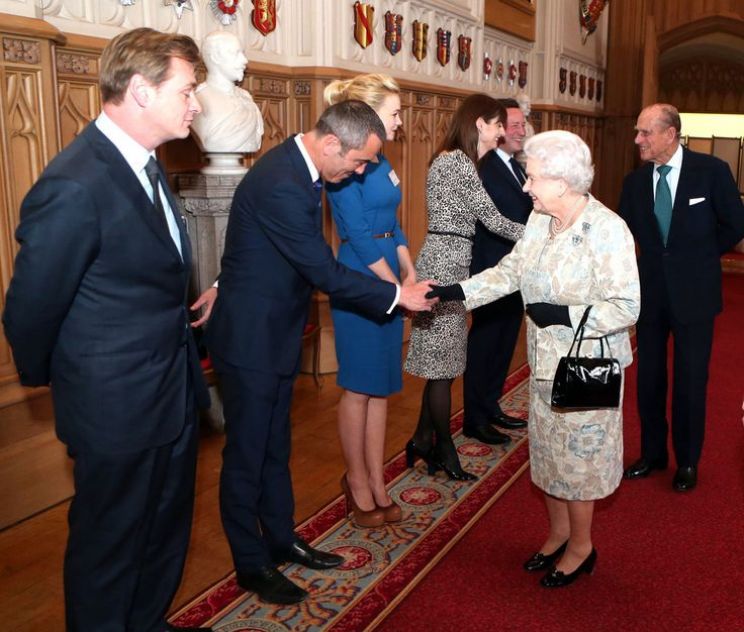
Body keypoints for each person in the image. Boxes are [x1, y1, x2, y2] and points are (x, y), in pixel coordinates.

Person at [2, 28, 212, 632]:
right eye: (186, 91)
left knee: (163, 531)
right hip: (114, 408)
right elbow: (30, 309)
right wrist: (72, 383)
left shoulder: (146, 164)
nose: (195, 104)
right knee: (110, 548)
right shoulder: (76, 182)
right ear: (142, 90)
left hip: (170, 394)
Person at [205, 100, 437, 605]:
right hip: (250, 338)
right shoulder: (283, 181)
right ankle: (251, 563)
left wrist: (222, 281)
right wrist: (398, 296)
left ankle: (281, 538)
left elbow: (258, 246)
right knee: (247, 454)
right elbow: (322, 270)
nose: (361, 172)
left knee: (274, 444)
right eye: (357, 162)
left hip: (275, 329)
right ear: (332, 143)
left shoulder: (301, 170)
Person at [427, 130, 640, 588]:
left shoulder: (607, 229)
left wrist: (565, 314)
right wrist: (455, 291)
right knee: (548, 456)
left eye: (533, 177)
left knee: (579, 464)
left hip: (586, 367)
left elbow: (627, 307)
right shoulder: (541, 219)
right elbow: (511, 272)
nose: (526, 187)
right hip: (543, 363)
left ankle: (581, 547)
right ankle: (558, 534)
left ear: (562, 182)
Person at [620, 103, 744, 492]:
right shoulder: (634, 183)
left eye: (645, 132)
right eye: (638, 131)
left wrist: (702, 257)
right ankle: (652, 453)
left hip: (695, 294)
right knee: (649, 378)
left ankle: (687, 461)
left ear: (670, 134)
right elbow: (624, 236)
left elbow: (735, 223)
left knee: (691, 380)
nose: (638, 139)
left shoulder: (711, 171)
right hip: (651, 295)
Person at [404, 94, 525, 481]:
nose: (501, 132)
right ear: (479, 124)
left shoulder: (457, 160)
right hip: (444, 266)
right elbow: (493, 219)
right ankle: (444, 448)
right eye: (497, 124)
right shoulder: (456, 161)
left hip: (451, 261)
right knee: (443, 370)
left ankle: (422, 439)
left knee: (445, 364)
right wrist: (541, 235)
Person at [324, 74, 413, 527]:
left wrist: (408, 268)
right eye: (394, 113)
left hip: (389, 269)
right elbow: (356, 233)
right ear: (370, 113)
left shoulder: (381, 158)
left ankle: (378, 480)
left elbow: (392, 221)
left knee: (380, 387)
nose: (399, 121)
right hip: (360, 275)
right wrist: (394, 287)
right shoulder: (347, 161)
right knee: (358, 386)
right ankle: (356, 481)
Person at [463, 98, 532, 445]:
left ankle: (490, 406)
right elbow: (493, 221)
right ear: (498, 129)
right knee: (485, 345)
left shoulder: (515, 166)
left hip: (514, 271)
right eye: (513, 125)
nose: (520, 131)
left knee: (504, 344)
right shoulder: (486, 167)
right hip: (491, 271)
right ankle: (474, 418)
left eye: (522, 125)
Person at [190, 30, 263, 154]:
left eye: (243, 53)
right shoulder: (199, 100)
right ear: (215, 57)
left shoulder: (246, 97)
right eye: (236, 53)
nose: (244, 60)